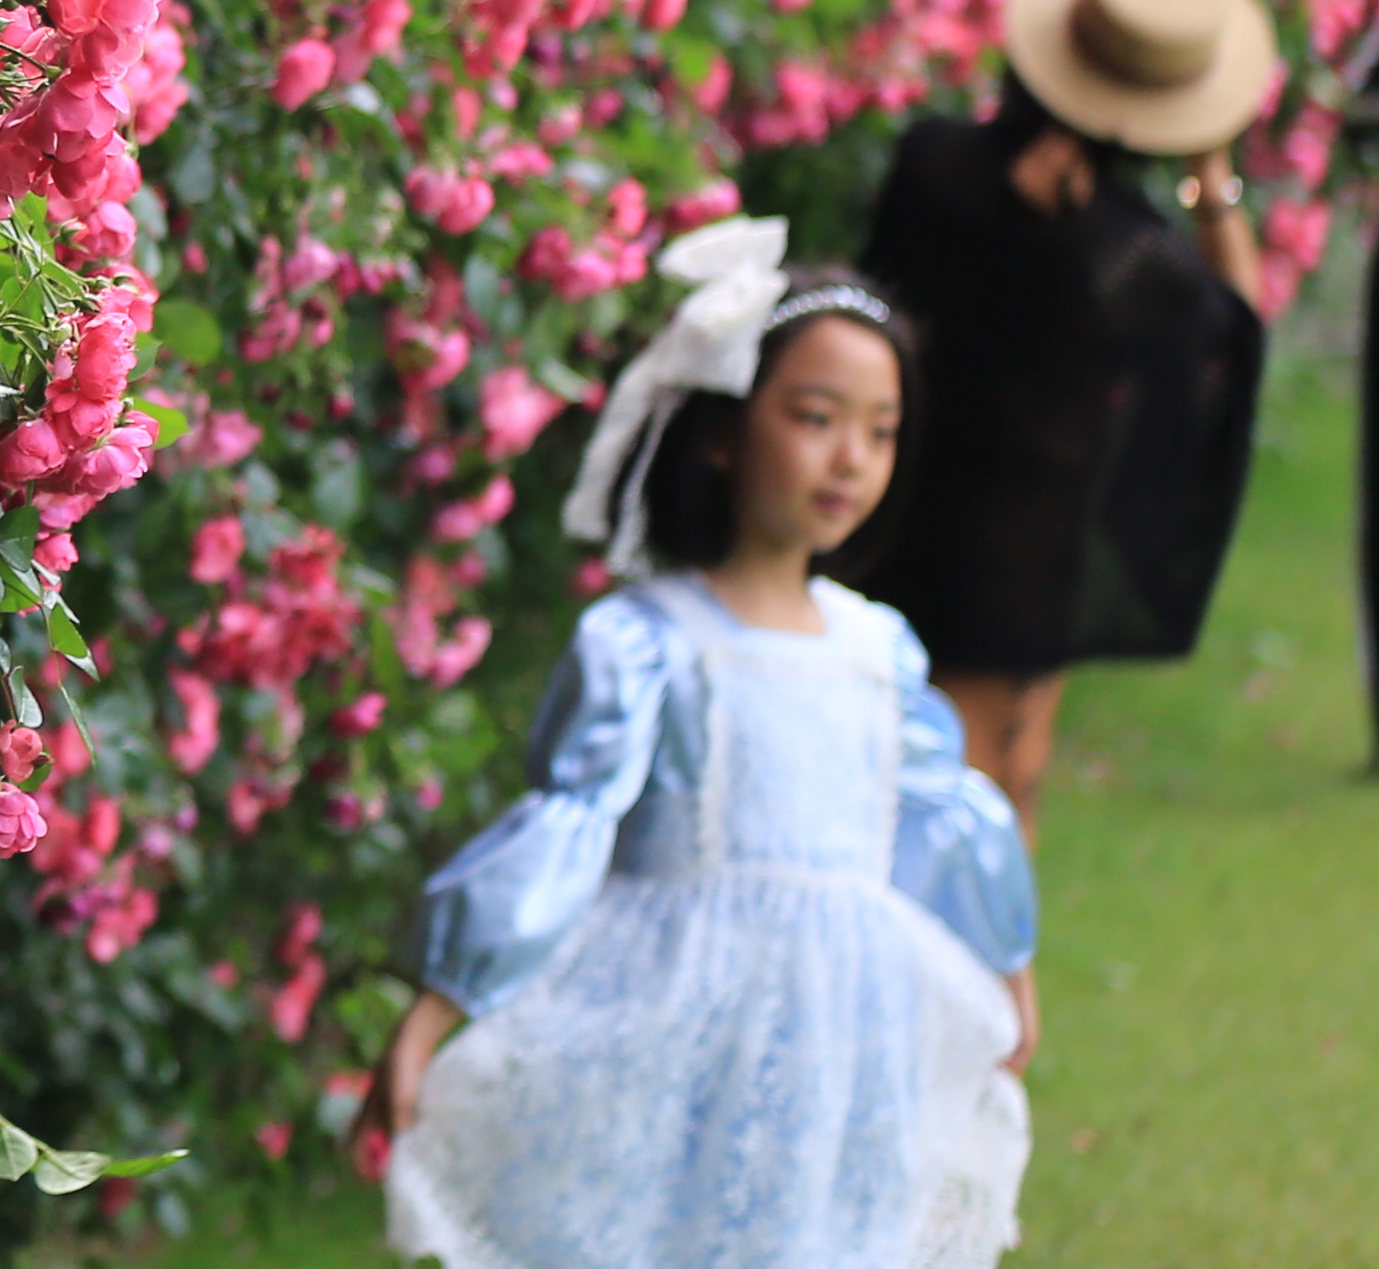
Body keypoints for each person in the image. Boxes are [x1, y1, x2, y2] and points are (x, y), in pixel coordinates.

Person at [374, 217, 1036, 1269]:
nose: (850, 457)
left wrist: (1006, 968)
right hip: (671, 1024)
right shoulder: (649, 644)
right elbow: (567, 828)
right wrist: (440, 1006)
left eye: (881, 429)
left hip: (841, 1040)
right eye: (816, 417)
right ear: (726, 428)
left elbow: (943, 824)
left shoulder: (881, 653)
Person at [854, 0, 1277, 827]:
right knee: (994, 793)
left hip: (895, 514)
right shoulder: (1125, 262)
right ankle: (993, 972)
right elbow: (1237, 327)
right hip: (1027, 549)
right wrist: (1214, 175)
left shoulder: (928, 166)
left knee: (907, 780)